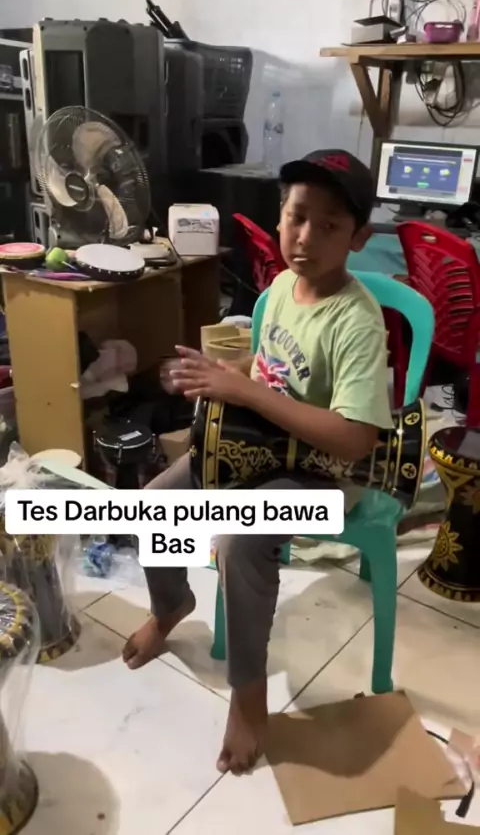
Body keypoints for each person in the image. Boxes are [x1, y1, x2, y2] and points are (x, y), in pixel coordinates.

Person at [122, 149, 393, 775]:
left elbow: (356, 440)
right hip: (258, 447)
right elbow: (267, 368)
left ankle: (248, 696)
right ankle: (170, 606)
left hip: (323, 473)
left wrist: (247, 393)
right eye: (297, 217)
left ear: (358, 238)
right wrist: (222, 374)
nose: (306, 237)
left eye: (329, 225)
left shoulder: (356, 321)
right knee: (153, 503)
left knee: (241, 541)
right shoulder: (279, 291)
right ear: (279, 218)